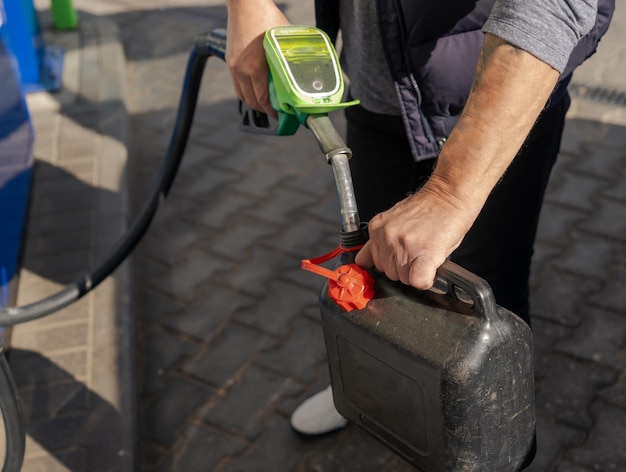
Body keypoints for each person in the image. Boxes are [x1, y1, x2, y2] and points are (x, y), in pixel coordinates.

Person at [225, 0, 614, 438]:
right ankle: (370, 394)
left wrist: (450, 194)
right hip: (375, 87)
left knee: (488, 302)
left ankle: (491, 433)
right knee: (373, 273)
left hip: (495, 95)